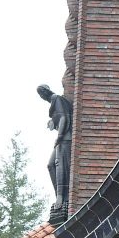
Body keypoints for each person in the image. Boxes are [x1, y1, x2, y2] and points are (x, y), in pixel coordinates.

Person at [37, 84, 73, 216]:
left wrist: (60, 136)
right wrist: (52, 122)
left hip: (65, 138)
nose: (41, 97)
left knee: (59, 165)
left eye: (41, 93)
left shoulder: (57, 98)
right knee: (50, 165)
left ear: (46, 92)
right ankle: (59, 194)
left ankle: (62, 197)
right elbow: (59, 118)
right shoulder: (54, 102)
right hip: (62, 137)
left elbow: (64, 117)